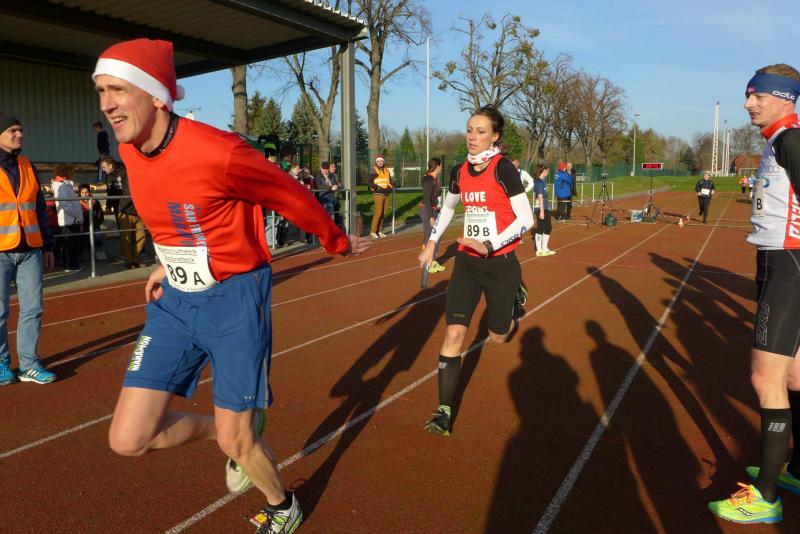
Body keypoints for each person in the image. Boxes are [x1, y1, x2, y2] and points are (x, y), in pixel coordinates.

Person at [92, 38, 371, 533]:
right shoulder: (129, 150)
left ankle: (283, 505)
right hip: (175, 303)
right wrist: (165, 261)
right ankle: (227, 433)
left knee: (236, 439)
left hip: (234, 300)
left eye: (117, 89)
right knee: (128, 439)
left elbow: (291, 196)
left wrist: (339, 242)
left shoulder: (219, 151)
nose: (106, 104)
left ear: (157, 95)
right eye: (100, 91)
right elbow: (171, 211)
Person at [708, 63, 800, 525]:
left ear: (784, 98)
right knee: (795, 377)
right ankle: (795, 470)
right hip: (778, 265)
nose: (748, 104)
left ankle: (765, 496)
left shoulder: (790, 140)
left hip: (789, 268)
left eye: (757, 96)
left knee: (766, 380)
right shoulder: (777, 141)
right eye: (748, 95)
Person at [418, 104, 533, 436]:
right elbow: (448, 209)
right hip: (467, 262)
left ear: (494, 136)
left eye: (480, 131)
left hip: (500, 263)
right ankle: (443, 411)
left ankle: (515, 292)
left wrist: (492, 245)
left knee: (498, 335)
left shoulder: (503, 169)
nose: (472, 136)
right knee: (454, 333)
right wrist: (432, 242)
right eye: (470, 130)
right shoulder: (459, 171)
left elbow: (526, 219)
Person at [0, 113, 56, 386]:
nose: (19, 134)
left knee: (33, 308)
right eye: (13, 130)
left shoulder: (27, 165)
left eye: (20, 130)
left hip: (31, 249)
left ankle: (29, 364)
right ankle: (1, 363)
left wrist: (48, 245)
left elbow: (40, 208)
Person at [51, 163, 83, 272]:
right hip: (68, 220)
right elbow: (65, 204)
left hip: (71, 219)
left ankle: (71, 263)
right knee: (69, 244)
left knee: (72, 244)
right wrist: (77, 215)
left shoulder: (64, 185)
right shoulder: (61, 186)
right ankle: (69, 265)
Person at [420, 157, 445, 274]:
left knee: (437, 235)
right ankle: (428, 263)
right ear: (438, 166)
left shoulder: (435, 179)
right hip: (427, 210)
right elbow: (427, 199)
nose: (442, 168)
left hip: (435, 210)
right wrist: (430, 216)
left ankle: (433, 260)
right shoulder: (428, 180)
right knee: (431, 236)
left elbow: (435, 196)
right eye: (441, 165)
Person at [78, 183, 107, 260]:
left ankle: (99, 251)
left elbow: (100, 217)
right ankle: (83, 253)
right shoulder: (76, 203)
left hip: (94, 225)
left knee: (98, 234)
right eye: (83, 192)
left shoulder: (95, 202)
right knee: (81, 236)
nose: (85, 194)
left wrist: (93, 225)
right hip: (82, 226)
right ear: (80, 193)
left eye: (86, 192)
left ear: (89, 192)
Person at [532, 165, 555, 257]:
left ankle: (544, 248)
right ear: (544, 171)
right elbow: (540, 196)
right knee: (541, 228)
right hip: (540, 208)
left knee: (548, 228)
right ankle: (539, 250)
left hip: (544, 208)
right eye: (547, 171)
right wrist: (541, 211)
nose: (548, 173)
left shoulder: (542, 182)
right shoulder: (539, 182)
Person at [368, 154, 392, 238]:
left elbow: (389, 181)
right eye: (378, 161)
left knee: (383, 214)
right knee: (378, 212)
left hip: (386, 194)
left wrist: (391, 187)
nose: (380, 162)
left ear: (383, 161)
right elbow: (369, 182)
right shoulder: (373, 170)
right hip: (378, 193)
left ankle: (379, 231)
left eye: (381, 161)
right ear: (376, 162)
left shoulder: (386, 170)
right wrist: (377, 187)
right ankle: (373, 232)